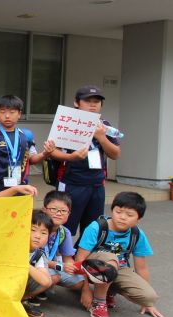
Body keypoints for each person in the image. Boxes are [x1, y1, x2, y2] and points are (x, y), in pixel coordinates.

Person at [65, 192, 162, 317]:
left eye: (129, 215)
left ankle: (108, 290)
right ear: (112, 210)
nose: (122, 217)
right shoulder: (97, 227)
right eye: (118, 212)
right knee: (111, 258)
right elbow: (80, 259)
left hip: (118, 269)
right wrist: (85, 290)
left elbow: (142, 268)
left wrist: (146, 303)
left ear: (138, 219)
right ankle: (99, 302)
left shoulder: (137, 234)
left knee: (149, 297)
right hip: (91, 267)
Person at [49, 85, 121, 236]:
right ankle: (62, 251)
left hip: (96, 185)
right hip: (71, 184)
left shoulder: (105, 126)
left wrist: (102, 138)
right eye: (88, 101)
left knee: (92, 230)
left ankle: (83, 252)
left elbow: (115, 154)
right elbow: (51, 151)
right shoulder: (67, 121)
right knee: (63, 228)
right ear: (76, 102)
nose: (93, 105)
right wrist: (70, 157)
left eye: (97, 101)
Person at [0, 94, 55, 196]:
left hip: (20, 186)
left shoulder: (26, 135)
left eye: (12, 112)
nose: (7, 116)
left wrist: (45, 154)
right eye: (2, 112)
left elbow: (31, 159)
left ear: (19, 114)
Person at [37, 190, 86, 305]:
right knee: (54, 276)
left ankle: (42, 287)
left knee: (79, 282)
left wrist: (71, 267)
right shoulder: (36, 228)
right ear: (44, 210)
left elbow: (68, 258)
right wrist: (59, 266)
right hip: (33, 264)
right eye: (54, 209)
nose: (59, 213)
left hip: (49, 265)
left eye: (63, 211)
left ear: (69, 214)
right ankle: (28, 296)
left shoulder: (64, 232)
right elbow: (31, 257)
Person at [22, 212, 55, 317]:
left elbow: (46, 282)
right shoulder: (12, 246)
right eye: (33, 230)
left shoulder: (39, 255)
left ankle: (21, 300)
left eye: (43, 233)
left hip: (19, 286)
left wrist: (25, 264)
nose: (37, 236)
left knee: (50, 278)